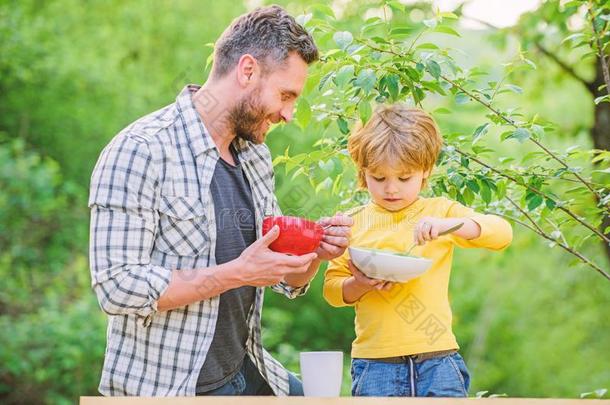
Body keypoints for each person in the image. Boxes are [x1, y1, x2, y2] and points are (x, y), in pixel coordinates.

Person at [88, 5, 352, 397]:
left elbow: (281, 276)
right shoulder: (141, 149)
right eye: (285, 95)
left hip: (246, 367)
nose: (289, 114)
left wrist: (315, 253)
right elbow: (116, 286)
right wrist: (235, 273)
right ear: (247, 71)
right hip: (171, 387)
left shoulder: (254, 156)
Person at [323, 104, 513, 397]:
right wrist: (359, 284)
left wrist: (450, 225)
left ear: (425, 171)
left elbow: (502, 233)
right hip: (375, 363)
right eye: (379, 178)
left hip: (438, 358)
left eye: (404, 178)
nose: (391, 189)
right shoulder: (352, 222)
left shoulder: (439, 212)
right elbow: (332, 291)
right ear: (363, 172)